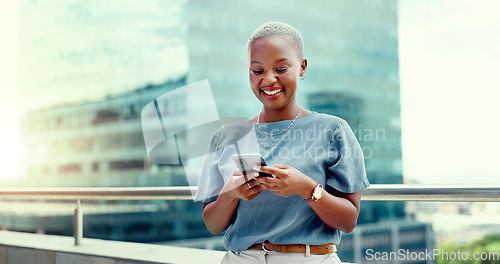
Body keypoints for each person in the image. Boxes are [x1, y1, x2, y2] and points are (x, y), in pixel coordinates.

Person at [195, 21, 369, 264]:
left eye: (281, 68)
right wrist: (229, 195)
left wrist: (307, 189)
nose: (269, 80)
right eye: (258, 71)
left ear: (302, 67)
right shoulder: (226, 137)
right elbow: (213, 225)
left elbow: (348, 220)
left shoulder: (333, 130)